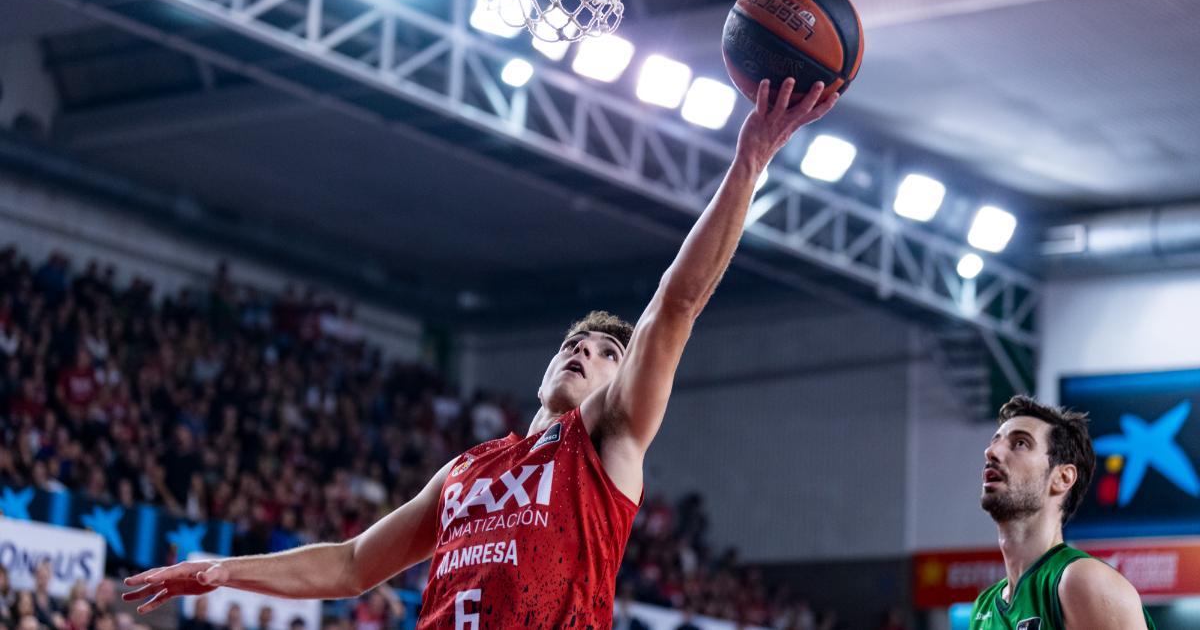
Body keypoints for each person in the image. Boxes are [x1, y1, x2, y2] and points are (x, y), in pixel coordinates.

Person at [122, 78, 838, 626]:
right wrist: (219, 569)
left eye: (604, 352)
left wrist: (749, 162)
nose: (582, 351)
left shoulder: (606, 442)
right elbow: (348, 563)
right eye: (572, 342)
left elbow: (675, 303)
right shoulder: (468, 469)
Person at [970, 396, 1155, 629]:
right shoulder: (983, 608)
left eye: (1020, 443)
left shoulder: (1082, 581)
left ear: (1062, 477)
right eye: (995, 441)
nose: (991, 451)